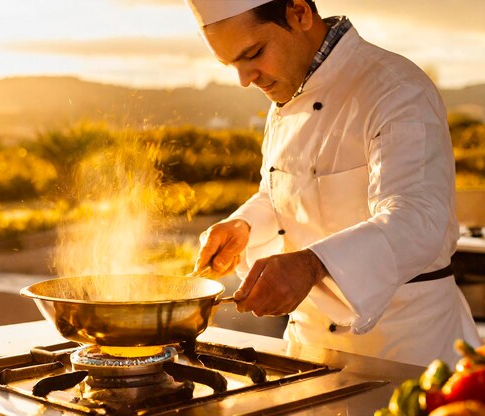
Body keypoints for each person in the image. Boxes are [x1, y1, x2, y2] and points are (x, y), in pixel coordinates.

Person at [185, 0, 481, 366]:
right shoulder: (286, 93)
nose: (245, 79)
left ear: (299, 13)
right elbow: (284, 192)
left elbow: (417, 219)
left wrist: (311, 265)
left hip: (408, 350)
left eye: (254, 53)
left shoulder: (397, 89)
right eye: (232, 65)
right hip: (307, 349)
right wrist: (245, 225)